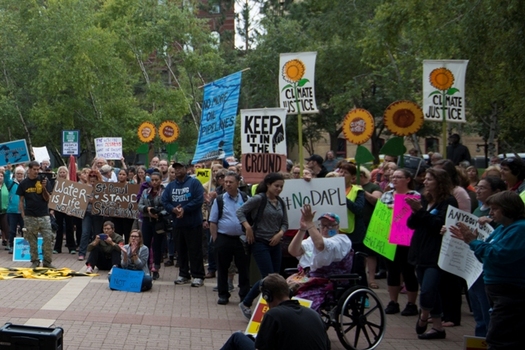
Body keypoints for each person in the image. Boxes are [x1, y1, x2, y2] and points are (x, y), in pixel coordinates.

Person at [450, 191, 525, 349]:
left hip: (511, 291)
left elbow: (499, 254)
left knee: (498, 337)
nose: (490, 213)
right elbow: (486, 256)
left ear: (508, 209)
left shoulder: (519, 229)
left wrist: (474, 242)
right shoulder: (504, 228)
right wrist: (473, 243)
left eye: (495, 209)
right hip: (496, 289)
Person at [405, 168, 458, 340]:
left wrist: (420, 211)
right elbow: (412, 224)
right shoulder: (424, 199)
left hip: (436, 252)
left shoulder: (449, 202)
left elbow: (439, 225)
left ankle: (424, 316)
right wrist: (415, 211)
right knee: (429, 290)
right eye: (425, 179)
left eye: (429, 179)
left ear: (440, 182)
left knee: (428, 289)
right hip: (420, 251)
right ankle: (437, 328)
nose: (425, 182)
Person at [220, 273, 331, 350]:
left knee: (238, 337)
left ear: (267, 296)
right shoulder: (314, 314)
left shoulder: (274, 315)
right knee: (248, 338)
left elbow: (261, 347)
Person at [457, 176, 505, 337]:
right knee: (478, 308)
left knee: (487, 310)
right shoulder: (478, 210)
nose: (477, 190)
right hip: (473, 265)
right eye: (477, 187)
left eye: (483, 188)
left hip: (486, 269)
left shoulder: (503, 221)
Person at [237, 172, 288, 320]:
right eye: (276, 186)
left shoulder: (280, 202)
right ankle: (247, 302)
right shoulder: (259, 199)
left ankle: (271, 307)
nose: (278, 189)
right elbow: (240, 211)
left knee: (275, 278)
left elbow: (285, 223)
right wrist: (248, 228)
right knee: (269, 278)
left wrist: (280, 234)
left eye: (281, 187)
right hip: (260, 242)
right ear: (268, 185)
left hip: (275, 243)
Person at [288, 207, 353, 311]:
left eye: (330, 225)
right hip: (307, 279)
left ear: (338, 227)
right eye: (323, 225)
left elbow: (320, 245)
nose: (326, 228)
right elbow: (293, 251)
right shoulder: (311, 239)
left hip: (328, 283)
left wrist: (310, 223)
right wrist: (302, 229)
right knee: (278, 292)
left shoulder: (342, 240)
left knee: (297, 304)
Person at [380, 169, 419, 316]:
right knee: (392, 270)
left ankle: (411, 303)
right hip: (389, 239)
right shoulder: (386, 196)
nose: (394, 180)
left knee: (408, 270)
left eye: (399, 177)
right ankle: (393, 302)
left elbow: (417, 214)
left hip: (407, 239)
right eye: (393, 177)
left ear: (408, 179)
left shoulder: (414, 196)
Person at [209, 171, 250, 305]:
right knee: (222, 268)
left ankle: (244, 295)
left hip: (241, 239)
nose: (227, 184)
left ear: (238, 183)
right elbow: (213, 221)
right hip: (223, 238)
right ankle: (223, 294)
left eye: (230, 182)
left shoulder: (245, 198)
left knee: (243, 268)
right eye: (226, 182)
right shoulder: (219, 200)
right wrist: (216, 240)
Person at [161, 161, 205, 287]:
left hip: (193, 223)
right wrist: (173, 210)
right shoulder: (170, 186)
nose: (178, 170)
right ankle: (184, 274)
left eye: (180, 168)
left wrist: (184, 209)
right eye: (175, 168)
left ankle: (198, 275)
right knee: (180, 251)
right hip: (178, 224)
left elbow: (198, 199)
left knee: (195, 250)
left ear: (186, 169)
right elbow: (165, 200)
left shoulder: (194, 183)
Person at [17, 161, 55, 268]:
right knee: (32, 240)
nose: (36, 171)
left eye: (38, 169)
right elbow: (21, 200)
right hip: (30, 215)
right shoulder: (23, 183)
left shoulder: (44, 180)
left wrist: (43, 188)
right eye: (34, 169)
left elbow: (48, 198)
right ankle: (35, 261)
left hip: (44, 214)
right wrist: (23, 215)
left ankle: (47, 262)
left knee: (48, 238)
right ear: (29, 169)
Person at [138, 171, 166, 280]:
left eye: (156, 180)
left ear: (160, 180)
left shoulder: (164, 192)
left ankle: (156, 268)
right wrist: (147, 209)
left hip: (158, 221)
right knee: (146, 245)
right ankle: (147, 268)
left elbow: (166, 206)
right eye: (152, 180)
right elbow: (139, 205)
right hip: (146, 220)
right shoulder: (145, 191)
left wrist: (158, 214)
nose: (154, 182)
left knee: (157, 246)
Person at [78, 170, 105, 261]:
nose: (92, 183)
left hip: (98, 214)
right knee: (85, 232)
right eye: (91, 181)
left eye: (94, 181)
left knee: (96, 234)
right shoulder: (85, 188)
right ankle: (82, 253)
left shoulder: (102, 188)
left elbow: (104, 201)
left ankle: (95, 253)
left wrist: (93, 200)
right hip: (87, 213)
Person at [52, 166, 76, 254]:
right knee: (59, 228)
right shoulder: (55, 183)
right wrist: (52, 209)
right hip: (58, 208)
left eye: (64, 172)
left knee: (69, 227)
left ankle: (71, 247)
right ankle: (57, 248)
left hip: (68, 208)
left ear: (67, 173)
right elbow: (53, 196)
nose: (62, 174)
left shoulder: (71, 183)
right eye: (61, 172)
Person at [5, 166, 25, 254]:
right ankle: (12, 246)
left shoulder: (26, 183)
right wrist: (8, 170)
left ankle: (25, 246)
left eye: (21, 173)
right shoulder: (11, 183)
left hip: (23, 211)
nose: (19, 175)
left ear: (24, 174)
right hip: (12, 211)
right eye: (18, 173)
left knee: (24, 229)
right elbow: (5, 179)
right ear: (15, 174)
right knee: (12, 230)